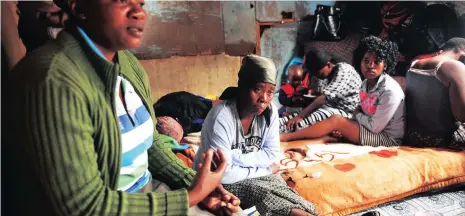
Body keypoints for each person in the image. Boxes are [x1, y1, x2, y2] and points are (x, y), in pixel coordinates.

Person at [5, 0, 240, 215]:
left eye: (139, 2)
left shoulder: (127, 64)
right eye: (121, 1)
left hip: (148, 192)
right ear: (78, 7)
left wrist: (197, 183)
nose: (138, 12)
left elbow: (151, 143)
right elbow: (83, 206)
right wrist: (189, 196)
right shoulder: (52, 80)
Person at [193, 55, 316, 216]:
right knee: (263, 193)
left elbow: (271, 153)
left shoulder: (270, 112)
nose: (264, 99)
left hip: (251, 172)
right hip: (217, 181)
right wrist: (265, 170)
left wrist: (236, 157)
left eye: (270, 92)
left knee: (280, 186)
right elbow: (224, 173)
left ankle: (307, 213)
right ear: (243, 87)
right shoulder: (222, 117)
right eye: (258, 89)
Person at [280, 36, 405, 148]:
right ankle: (277, 126)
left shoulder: (389, 91)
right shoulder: (366, 84)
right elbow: (363, 110)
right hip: (364, 124)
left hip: (387, 138)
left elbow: (374, 127)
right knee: (323, 119)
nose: (370, 65)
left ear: (386, 65)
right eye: (366, 61)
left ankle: (287, 137)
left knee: (335, 120)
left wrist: (355, 117)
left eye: (377, 62)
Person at [279, 48, 362, 133]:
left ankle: (281, 133)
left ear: (328, 65)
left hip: (347, 112)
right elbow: (322, 96)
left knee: (305, 120)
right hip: (329, 108)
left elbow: (324, 98)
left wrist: (300, 116)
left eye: (317, 72)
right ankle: (276, 125)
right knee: (294, 116)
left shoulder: (344, 70)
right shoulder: (325, 76)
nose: (315, 75)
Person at [405, 37, 465, 148]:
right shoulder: (455, 67)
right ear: (462, 54)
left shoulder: (415, 63)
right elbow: (461, 115)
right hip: (441, 140)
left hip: (412, 136)